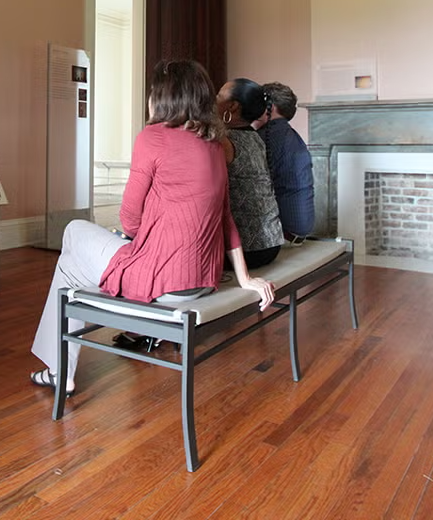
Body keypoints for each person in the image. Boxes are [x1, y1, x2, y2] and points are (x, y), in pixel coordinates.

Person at [30, 60, 274, 395]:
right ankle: (95, 335)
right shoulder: (215, 144)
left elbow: (129, 218)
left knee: (74, 234)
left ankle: (60, 370)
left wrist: (140, 239)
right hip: (202, 282)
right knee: (85, 259)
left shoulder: (153, 137)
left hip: (164, 282)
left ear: (163, 97)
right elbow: (226, 218)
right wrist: (246, 278)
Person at [216, 78, 286, 270]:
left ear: (232, 106)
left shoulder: (224, 141)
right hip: (271, 243)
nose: (215, 99)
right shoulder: (255, 138)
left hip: (246, 249)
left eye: (220, 95)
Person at [254, 82, 315, 244]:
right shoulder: (291, 135)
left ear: (270, 106)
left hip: (284, 236)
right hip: (300, 230)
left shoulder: (268, 136)